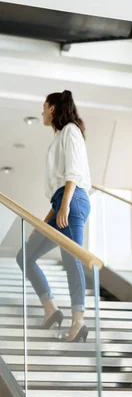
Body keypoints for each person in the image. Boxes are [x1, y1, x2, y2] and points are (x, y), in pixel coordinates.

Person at [17, 90, 91, 342]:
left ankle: (78, 321)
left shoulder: (71, 130)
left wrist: (65, 206)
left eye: (44, 106)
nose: (41, 112)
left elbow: (74, 173)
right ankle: (51, 309)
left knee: (71, 258)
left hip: (73, 199)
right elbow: (58, 190)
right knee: (25, 256)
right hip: (62, 200)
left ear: (52, 108)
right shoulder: (61, 135)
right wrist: (45, 220)